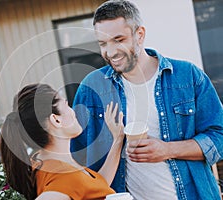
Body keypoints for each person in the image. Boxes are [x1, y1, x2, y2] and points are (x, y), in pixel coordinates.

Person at [70, 1, 223, 200]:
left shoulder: (187, 76)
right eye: (103, 43)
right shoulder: (92, 89)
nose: (111, 52)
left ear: (139, 34)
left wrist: (167, 150)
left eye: (119, 39)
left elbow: (219, 137)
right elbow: (77, 159)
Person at [0, 83, 125, 200]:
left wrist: (118, 139)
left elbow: (92, 187)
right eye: (67, 105)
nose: (73, 111)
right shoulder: (64, 176)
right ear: (56, 120)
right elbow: (71, 185)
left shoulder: (41, 163)